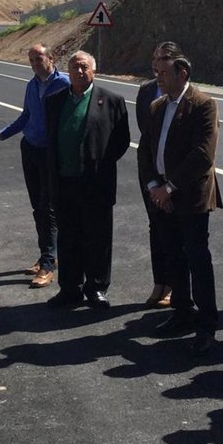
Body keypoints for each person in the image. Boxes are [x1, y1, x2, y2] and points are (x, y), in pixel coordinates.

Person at [138, 54, 221, 354]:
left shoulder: (203, 104)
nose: (158, 77)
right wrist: (154, 187)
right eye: (156, 71)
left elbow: (203, 155)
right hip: (162, 194)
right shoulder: (157, 106)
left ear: (182, 73)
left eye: (164, 72)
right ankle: (181, 313)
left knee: (198, 260)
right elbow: (145, 151)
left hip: (189, 196)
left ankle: (207, 325)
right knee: (173, 256)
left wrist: (170, 188)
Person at [44, 51, 131, 311]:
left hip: (96, 183)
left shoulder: (112, 101)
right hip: (64, 182)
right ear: (66, 72)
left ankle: (96, 287)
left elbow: (121, 141)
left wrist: (98, 164)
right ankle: (70, 288)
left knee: (98, 238)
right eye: (74, 67)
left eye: (84, 67)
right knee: (68, 237)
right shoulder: (54, 100)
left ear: (94, 70)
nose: (79, 72)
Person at [0, 44, 69, 288]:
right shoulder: (31, 85)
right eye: (31, 60)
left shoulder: (64, 84)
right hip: (30, 149)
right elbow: (26, 117)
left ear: (51, 58)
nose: (34, 63)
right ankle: (48, 254)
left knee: (49, 207)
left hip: (51, 154)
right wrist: (3, 134)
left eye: (38, 58)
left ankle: (48, 264)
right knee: (38, 207)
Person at [135, 42, 180, 308]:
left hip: (173, 176)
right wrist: (151, 178)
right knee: (156, 228)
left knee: (174, 231)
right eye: (154, 57)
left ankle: (175, 286)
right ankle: (159, 282)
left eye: (162, 58)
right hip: (150, 173)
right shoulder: (146, 90)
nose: (156, 64)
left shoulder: (185, 93)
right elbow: (146, 133)